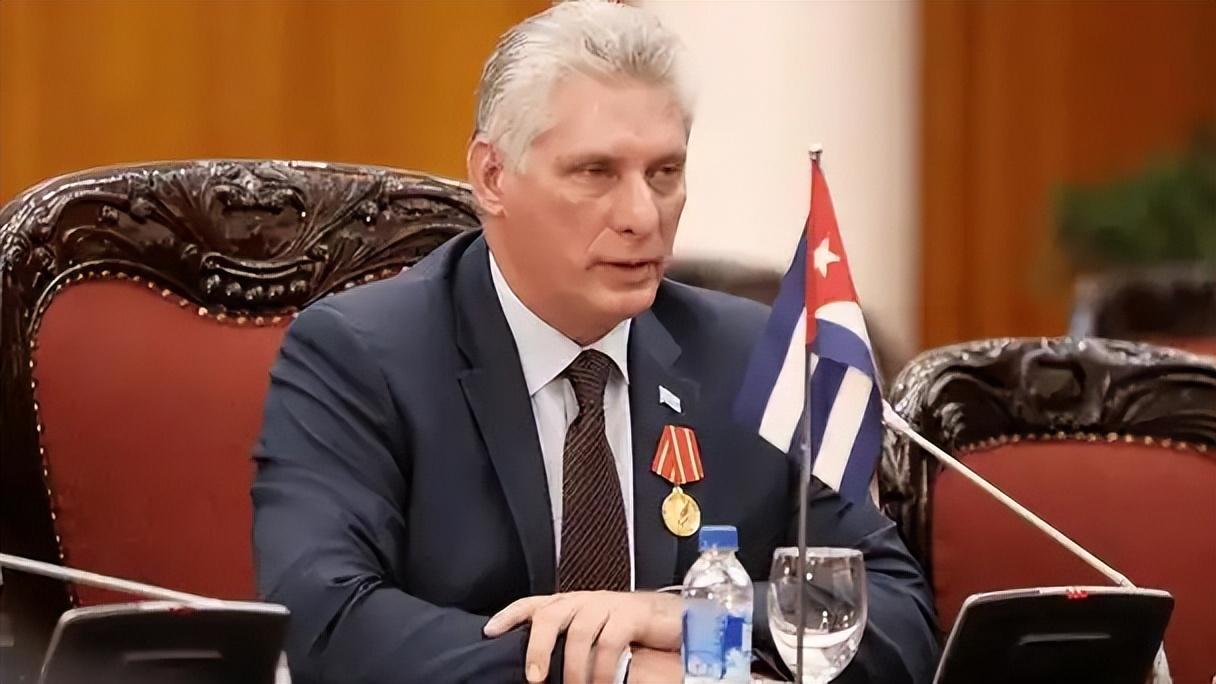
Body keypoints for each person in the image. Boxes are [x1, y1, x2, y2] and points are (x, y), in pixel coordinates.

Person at [251, 2, 938, 682]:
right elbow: (325, 622)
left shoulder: (752, 358)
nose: (642, 216)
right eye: (596, 173)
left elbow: (899, 619)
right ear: (492, 176)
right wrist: (624, 673)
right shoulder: (361, 356)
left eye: (664, 174)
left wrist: (687, 620)